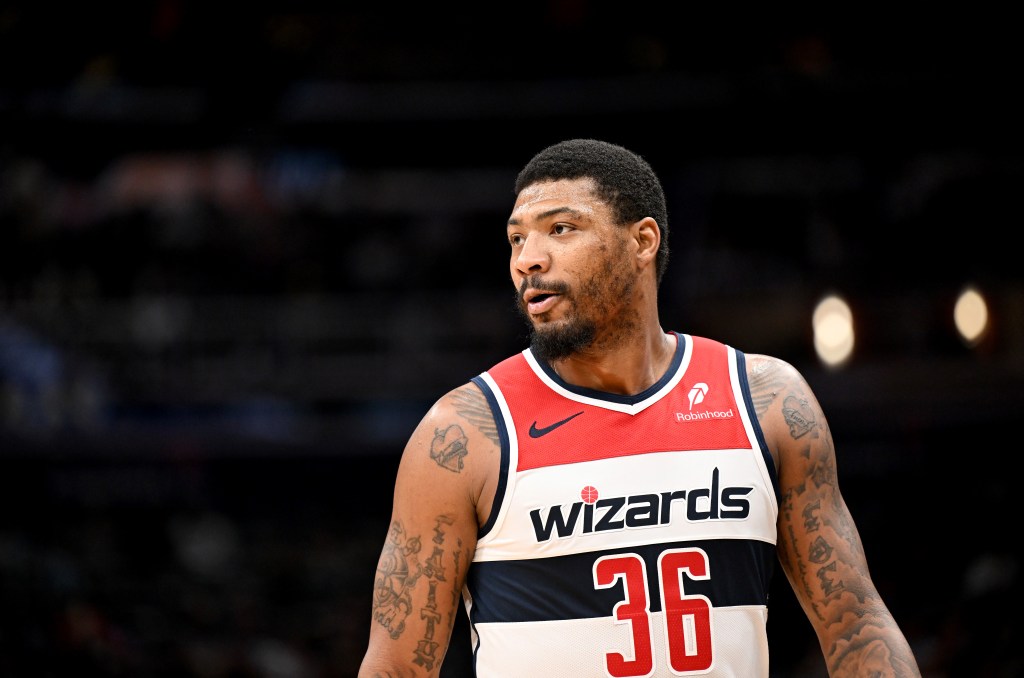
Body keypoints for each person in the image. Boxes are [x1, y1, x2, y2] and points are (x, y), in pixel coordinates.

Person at [357, 138, 921, 677]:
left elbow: (856, 624)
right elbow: (398, 666)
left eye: (560, 228)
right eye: (516, 239)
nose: (528, 259)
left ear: (643, 241)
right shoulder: (464, 434)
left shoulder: (767, 401)